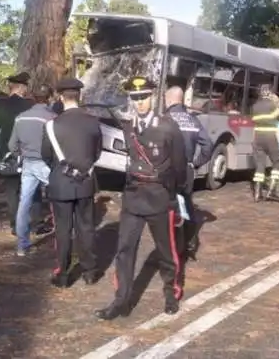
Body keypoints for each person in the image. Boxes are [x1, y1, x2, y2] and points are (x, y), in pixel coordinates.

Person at [95, 76, 188, 320]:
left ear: (153, 96)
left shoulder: (168, 126)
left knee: (166, 251)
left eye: (144, 97)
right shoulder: (128, 127)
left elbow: (180, 166)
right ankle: (121, 300)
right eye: (135, 98)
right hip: (134, 197)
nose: (140, 102)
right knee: (125, 250)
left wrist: (173, 195)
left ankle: (171, 293)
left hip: (160, 197)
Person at [41, 78, 103, 287]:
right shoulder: (93, 121)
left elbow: (46, 155)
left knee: (63, 230)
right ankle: (90, 272)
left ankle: (64, 274)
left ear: (60, 97)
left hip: (61, 183)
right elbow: (97, 152)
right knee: (86, 227)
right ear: (80, 96)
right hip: (86, 181)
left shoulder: (51, 126)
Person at [0, 72, 47, 235]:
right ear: (22, 87)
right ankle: (37, 223)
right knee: (33, 189)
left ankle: (16, 225)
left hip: (7, 153)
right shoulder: (29, 105)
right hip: (27, 152)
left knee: (12, 191)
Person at [8, 84, 58, 257]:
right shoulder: (52, 118)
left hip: (28, 163)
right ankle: (64, 238)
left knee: (24, 203)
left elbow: (11, 145)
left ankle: (22, 245)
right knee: (60, 198)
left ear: (32, 98)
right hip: (46, 164)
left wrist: (21, 154)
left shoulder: (20, 117)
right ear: (50, 98)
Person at [163, 86, 213, 261]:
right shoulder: (193, 120)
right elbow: (208, 145)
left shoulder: (165, 119)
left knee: (168, 208)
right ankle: (190, 244)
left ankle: (172, 249)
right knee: (186, 205)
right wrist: (196, 163)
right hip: (188, 171)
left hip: (169, 171)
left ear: (168, 100)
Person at [250, 82, 279, 202]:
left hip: (257, 136)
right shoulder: (272, 104)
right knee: (277, 162)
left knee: (260, 164)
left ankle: (257, 193)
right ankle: (271, 191)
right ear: (270, 93)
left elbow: (254, 119)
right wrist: (277, 103)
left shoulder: (254, 106)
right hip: (270, 136)